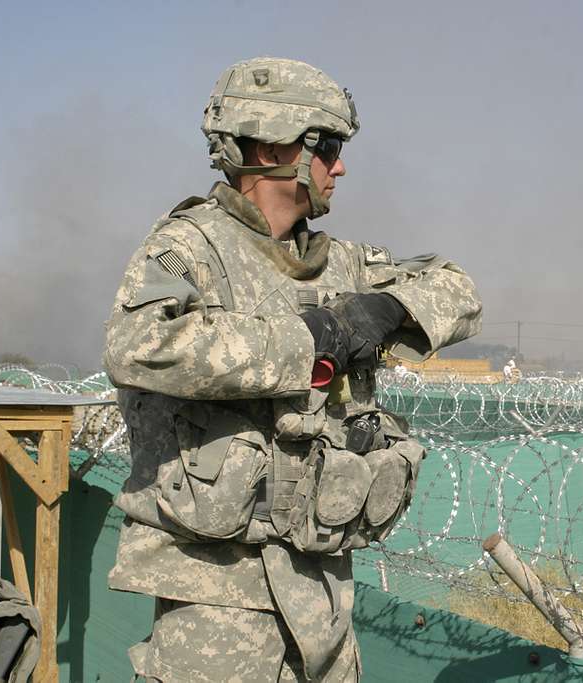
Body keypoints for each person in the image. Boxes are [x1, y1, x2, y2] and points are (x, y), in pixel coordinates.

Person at [102, 57, 482, 681]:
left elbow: (459, 291)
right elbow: (137, 343)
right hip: (217, 591)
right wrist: (304, 343)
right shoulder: (187, 249)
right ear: (272, 147)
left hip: (322, 585)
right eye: (327, 147)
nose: (341, 167)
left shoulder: (345, 264)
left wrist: (385, 309)